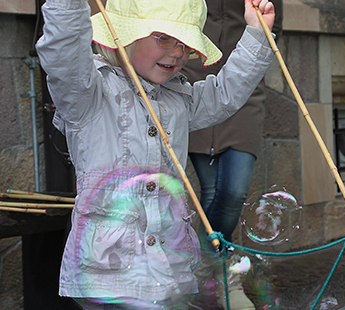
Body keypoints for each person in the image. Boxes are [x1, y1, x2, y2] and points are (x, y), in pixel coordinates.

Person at [36, 0, 275, 309]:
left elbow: (224, 94)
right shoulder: (88, 93)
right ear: (126, 34)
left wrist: (257, 33)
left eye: (186, 46)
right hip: (110, 272)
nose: (177, 53)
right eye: (164, 38)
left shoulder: (179, 97)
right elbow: (64, 53)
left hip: (169, 268)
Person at [181, 1, 283, 309]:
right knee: (211, 190)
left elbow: (273, 24)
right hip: (192, 79)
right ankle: (223, 278)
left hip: (244, 82)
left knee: (234, 191)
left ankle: (209, 271)